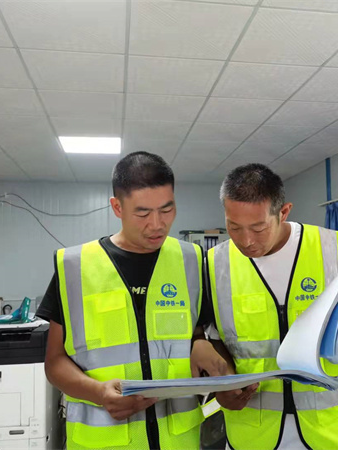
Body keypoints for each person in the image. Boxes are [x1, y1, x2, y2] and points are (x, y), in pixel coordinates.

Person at [36, 151, 226, 450]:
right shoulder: (75, 267)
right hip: (103, 443)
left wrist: (200, 342)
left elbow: (195, 330)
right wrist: (98, 392)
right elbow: (55, 362)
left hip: (180, 441)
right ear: (117, 207)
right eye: (142, 213)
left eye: (167, 209)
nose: (157, 224)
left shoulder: (191, 260)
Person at [206, 164, 338, 450]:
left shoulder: (330, 249)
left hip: (328, 429)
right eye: (233, 227)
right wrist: (222, 383)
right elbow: (215, 337)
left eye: (258, 227)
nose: (246, 241)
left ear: (284, 212)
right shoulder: (215, 264)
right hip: (253, 430)